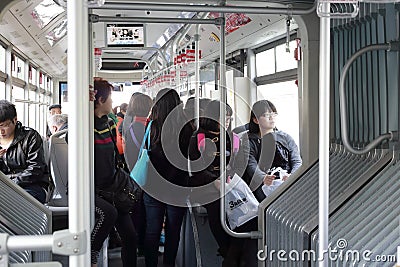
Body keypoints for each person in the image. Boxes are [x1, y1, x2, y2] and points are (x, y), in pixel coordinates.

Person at [143, 88, 193, 267]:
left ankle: (150, 264)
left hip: (153, 185)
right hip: (178, 186)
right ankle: (169, 264)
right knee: (173, 231)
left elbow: (145, 151)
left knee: (152, 230)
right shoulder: (188, 127)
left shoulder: (152, 126)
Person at [92, 79, 136, 267]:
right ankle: (91, 254)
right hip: (93, 189)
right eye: (110, 98)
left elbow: (115, 156)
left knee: (131, 237)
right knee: (108, 214)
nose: (112, 102)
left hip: (112, 188)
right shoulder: (85, 126)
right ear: (100, 100)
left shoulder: (109, 123)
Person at [188, 100, 237, 263]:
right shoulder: (199, 137)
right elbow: (196, 169)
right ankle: (226, 250)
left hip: (227, 183)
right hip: (204, 186)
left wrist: (230, 178)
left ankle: (234, 250)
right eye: (223, 118)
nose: (227, 122)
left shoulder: (230, 138)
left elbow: (235, 163)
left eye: (229, 119)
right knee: (216, 204)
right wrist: (214, 181)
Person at [244, 99, 302, 201]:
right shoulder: (249, 141)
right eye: (266, 115)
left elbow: (296, 160)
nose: (272, 118)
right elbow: (251, 165)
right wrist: (263, 178)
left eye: (274, 114)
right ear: (256, 120)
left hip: (286, 179)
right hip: (264, 183)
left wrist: (292, 176)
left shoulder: (286, 138)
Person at [0, 100, 49, 203]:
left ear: (15, 120)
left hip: (32, 186)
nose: (1, 131)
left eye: (4, 125)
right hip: (5, 188)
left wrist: (11, 183)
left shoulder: (30, 136)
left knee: (11, 202)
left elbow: (36, 168)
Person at [123, 92, 153, 256]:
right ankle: (143, 248)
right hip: (144, 178)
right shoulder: (144, 128)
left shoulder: (130, 127)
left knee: (137, 214)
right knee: (143, 216)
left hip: (133, 176)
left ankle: (139, 246)